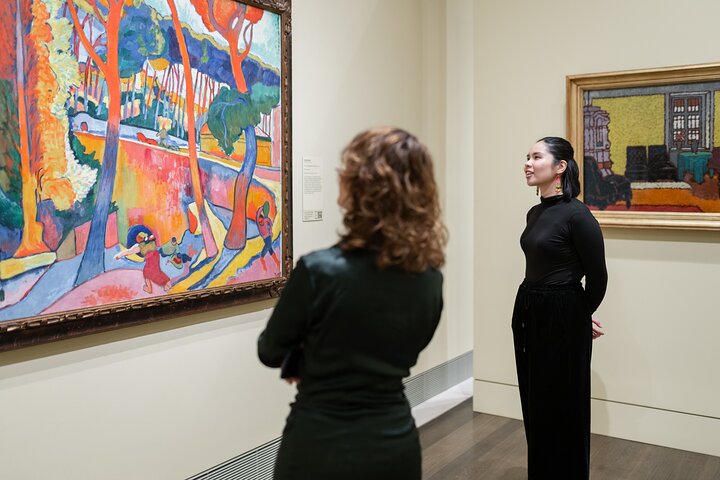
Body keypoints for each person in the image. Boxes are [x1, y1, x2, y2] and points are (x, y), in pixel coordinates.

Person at [257, 127, 447, 480]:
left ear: (362, 186)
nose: (340, 175)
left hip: (320, 445)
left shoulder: (319, 271)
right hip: (394, 444)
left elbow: (270, 350)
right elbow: (403, 346)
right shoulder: (429, 279)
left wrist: (306, 355)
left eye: (347, 168)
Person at [514, 136, 608, 479]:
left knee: (564, 404)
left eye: (536, 157)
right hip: (530, 309)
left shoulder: (578, 215)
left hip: (562, 314)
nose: (528, 163)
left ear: (560, 167)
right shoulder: (535, 212)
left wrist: (580, 315)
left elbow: (597, 276)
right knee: (536, 400)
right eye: (527, 156)